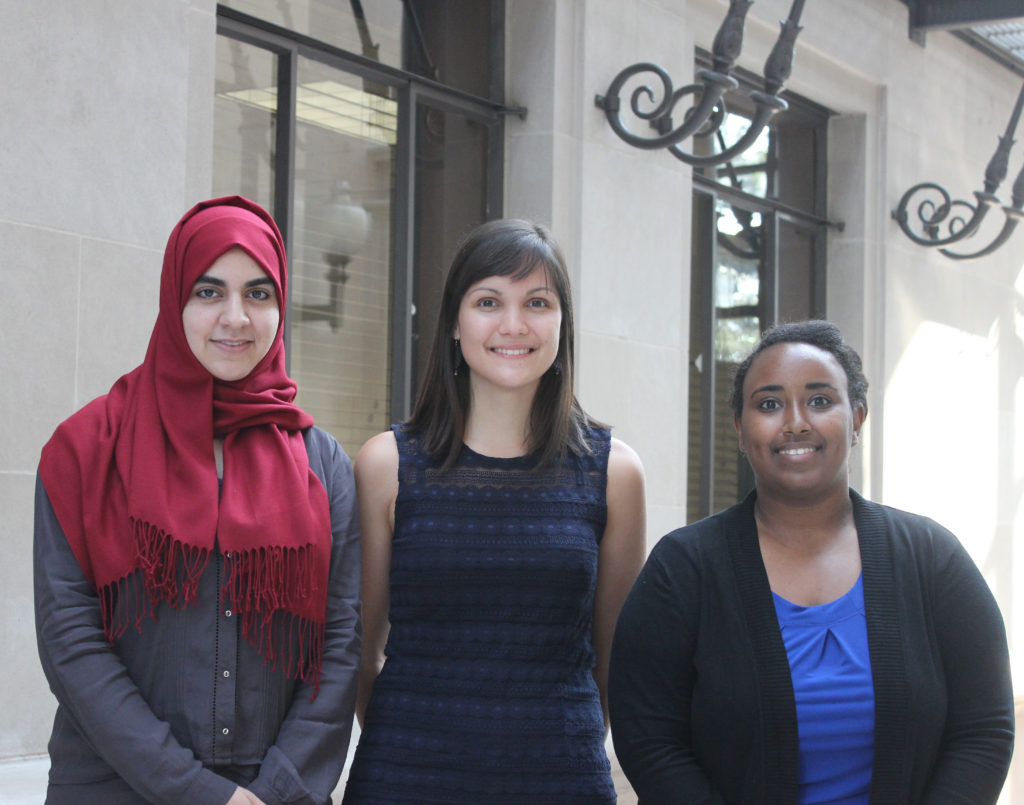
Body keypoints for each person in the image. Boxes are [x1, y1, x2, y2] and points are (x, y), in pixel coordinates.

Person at [34, 196, 361, 805]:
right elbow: (71, 644)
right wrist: (202, 795)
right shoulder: (85, 450)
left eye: (258, 294)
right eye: (209, 292)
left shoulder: (324, 466)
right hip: (112, 788)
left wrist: (280, 790)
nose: (235, 317)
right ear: (174, 299)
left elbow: (339, 645)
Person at [608, 320, 1014, 804]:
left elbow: (984, 728)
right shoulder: (684, 570)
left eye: (820, 401)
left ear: (857, 418)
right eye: (769, 404)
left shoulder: (932, 558)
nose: (795, 421)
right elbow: (649, 739)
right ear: (740, 427)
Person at [341, 219, 647, 803]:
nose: (514, 324)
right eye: (488, 302)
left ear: (563, 325)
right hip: (405, 774)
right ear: (455, 325)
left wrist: (558, 741)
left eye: (537, 302)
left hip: (561, 778)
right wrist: (413, 736)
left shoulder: (614, 473)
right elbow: (358, 647)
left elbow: (616, 669)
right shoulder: (386, 464)